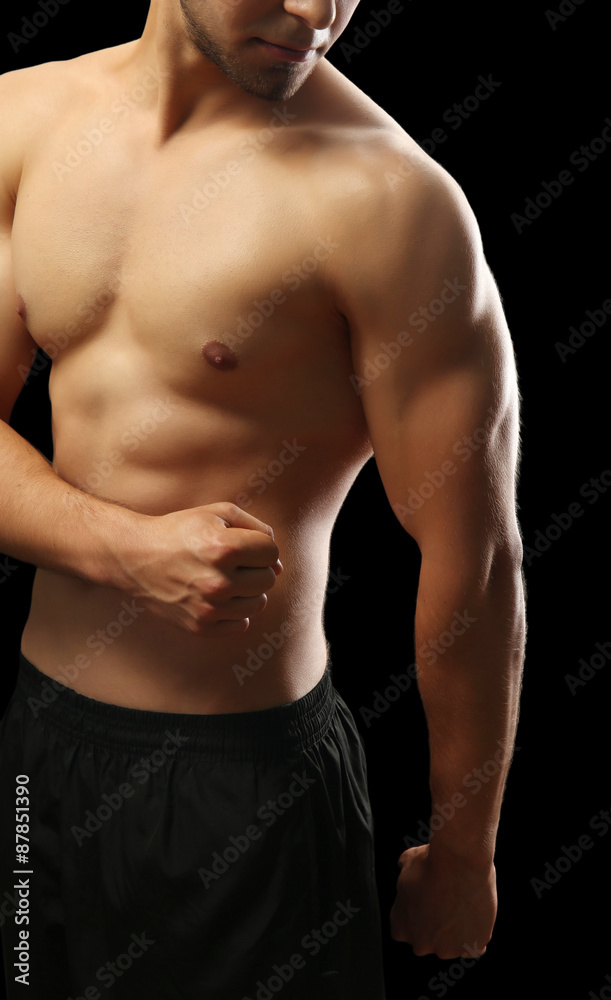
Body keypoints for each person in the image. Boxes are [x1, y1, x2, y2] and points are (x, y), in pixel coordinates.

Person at [0, 0, 526, 996]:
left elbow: (475, 557)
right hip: (39, 752)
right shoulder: (21, 123)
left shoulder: (388, 203)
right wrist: (122, 549)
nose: (316, 11)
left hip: (241, 788)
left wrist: (462, 854)